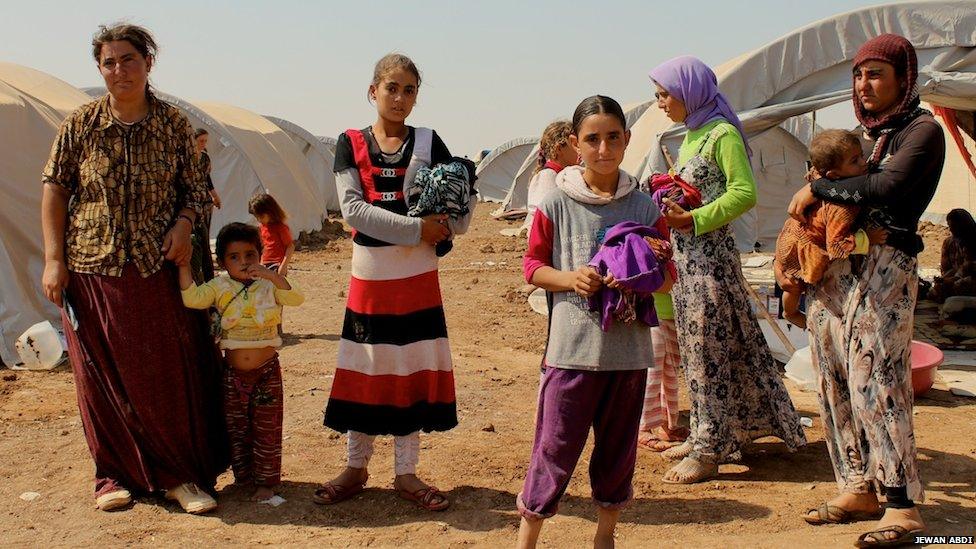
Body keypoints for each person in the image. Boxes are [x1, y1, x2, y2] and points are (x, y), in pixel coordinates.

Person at [39, 23, 226, 514]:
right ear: (99, 68)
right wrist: (54, 259)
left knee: (167, 374)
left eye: (128, 59)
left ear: (148, 63)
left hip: (156, 267)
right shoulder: (80, 125)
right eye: (109, 62)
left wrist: (185, 224)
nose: (119, 70)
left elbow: (194, 189)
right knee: (100, 378)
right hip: (91, 267)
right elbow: (55, 189)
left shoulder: (173, 125)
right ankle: (113, 475)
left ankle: (180, 476)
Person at [788, 34, 946, 547]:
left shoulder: (922, 131)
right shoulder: (860, 136)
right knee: (832, 380)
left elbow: (886, 188)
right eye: (859, 74)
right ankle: (856, 486)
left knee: (876, 382)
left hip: (886, 269)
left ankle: (902, 506)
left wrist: (817, 187)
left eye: (876, 74)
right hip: (838, 271)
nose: (864, 84)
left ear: (903, 77)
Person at [317, 53, 472, 512]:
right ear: (373, 91)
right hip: (371, 274)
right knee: (366, 366)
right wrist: (417, 230)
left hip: (418, 276)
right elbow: (353, 211)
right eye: (391, 88)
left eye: (409, 90)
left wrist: (452, 221)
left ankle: (406, 473)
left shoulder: (428, 140)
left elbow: (460, 202)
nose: (399, 98)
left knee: (409, 367)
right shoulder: (349, 142)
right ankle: (355, 466)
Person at [517, 95, 670, 549]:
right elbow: (532, 267)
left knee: (618, 454)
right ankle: (527, 539)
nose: (603, 148)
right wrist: (570, 278)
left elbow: (667, 278)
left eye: (613, 137)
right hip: (572, 352)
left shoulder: (644, 208)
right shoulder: (555, 203)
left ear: (626, 140)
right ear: (574, 144)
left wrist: (640, 276)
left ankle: (605, 537)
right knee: (554, 449)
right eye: (592, 139)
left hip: (628, 355)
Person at [649, 55, 806, 484]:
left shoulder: (722, 135)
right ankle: (703, 430)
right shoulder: (692, 135)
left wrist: (695, 220)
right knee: (697, 352)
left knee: (709, 352)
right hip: (685, 262)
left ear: (689, 92)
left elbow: (744, 193)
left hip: (710, 262)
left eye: (665, 94)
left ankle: (710, 449)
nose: (660, 102)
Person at [179, 222, 304, 502]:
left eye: (249, 255)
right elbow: (192, 298)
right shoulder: (219, 286)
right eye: (234, 257)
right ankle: (244, 477)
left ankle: (266, 482)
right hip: (233, 374)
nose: (244, 263)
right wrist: (184, 266)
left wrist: (272, 278)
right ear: (223, 262)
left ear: (259, 255)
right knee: (237, 428)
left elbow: (295, 298)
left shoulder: (268, 285)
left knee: (267, 428)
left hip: (267, 372)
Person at [773, 129, 882, 328]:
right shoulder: (840, 205)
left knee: (792, 282)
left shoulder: (820, 180)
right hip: (799, 246)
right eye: (855, 161)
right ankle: (790, 313)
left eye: (862, 156)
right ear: (833, 174)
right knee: (792, 284)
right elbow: (836, 246)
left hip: (792, 236)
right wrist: (867, 238)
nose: (864, 163)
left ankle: (790, 311)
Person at [522, 120, 577, 237]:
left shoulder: (565, 174)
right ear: (559, 149)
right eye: (574, 144)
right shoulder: (547, 177)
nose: (579, 149)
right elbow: (543, 217)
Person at [929, 208, 976, 303]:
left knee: (961, 285)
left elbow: (968, 269)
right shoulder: (948, 243)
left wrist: (950, 280)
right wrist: (944, 280)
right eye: (949, 226)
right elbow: (947, 270)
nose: (951, 229)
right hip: (956, 279)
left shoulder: (972, 242)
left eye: (954, 226)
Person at [191, 127, 219, 282]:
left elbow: (207, 180)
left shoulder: (205, 158)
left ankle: (208, 275)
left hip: (204, 203)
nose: (203, 144)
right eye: (200, 141)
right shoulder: (186, 158)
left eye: (205, 141)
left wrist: (215, 196)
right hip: (190, 202)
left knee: (204, 237)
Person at [248, 193, 294, 277]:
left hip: (276, 266)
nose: (258, 220)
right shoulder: (262, 227)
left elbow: (290, 247)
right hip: (264, 265)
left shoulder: (281, 228)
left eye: (261, 217)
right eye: (256, 217)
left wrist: (283, 266)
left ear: (270, 212)